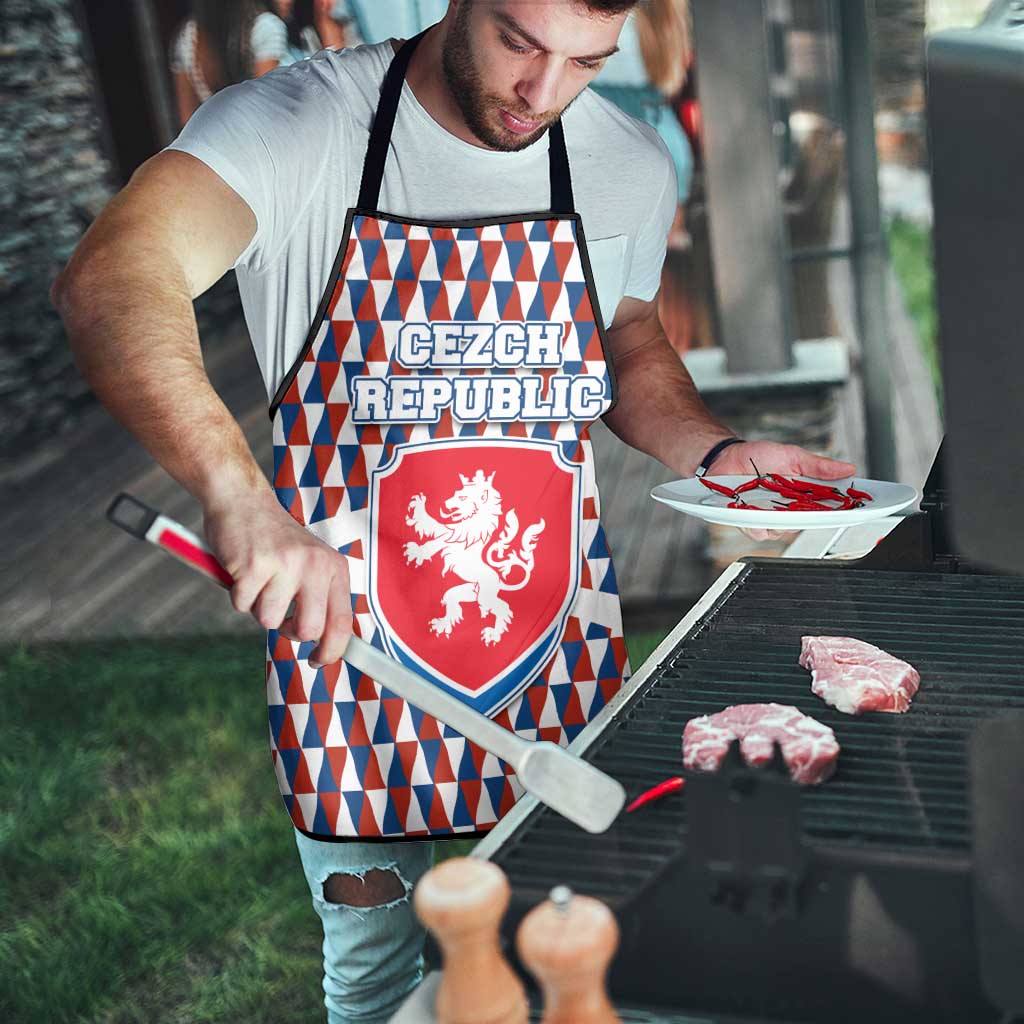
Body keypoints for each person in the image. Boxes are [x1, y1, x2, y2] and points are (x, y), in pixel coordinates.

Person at [53, 2, 855, 1020]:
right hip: (353, 655)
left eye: (586, 62)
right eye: (520, 42)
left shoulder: (625, 162)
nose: (543, 93)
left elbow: (626, 338)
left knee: (583, 954)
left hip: (552, 646)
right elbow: (114, 276)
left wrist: (716, 450)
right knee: (378, 977)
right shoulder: (299, 126)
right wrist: (237, 495)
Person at [170, 0, 289, 126]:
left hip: (216, 134)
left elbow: (188, 120)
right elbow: (266, 107)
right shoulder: (265, 27)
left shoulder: (188, 37)